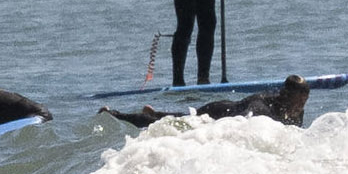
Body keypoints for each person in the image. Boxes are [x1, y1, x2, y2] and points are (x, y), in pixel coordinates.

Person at [104, 73, 312, 129]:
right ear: (286, 95)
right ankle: (115, 115)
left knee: (175, 118)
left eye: (304, 100)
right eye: (298, 99)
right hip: (218, 111)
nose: (301, 105)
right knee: (172, 124)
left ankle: (154, 112)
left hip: (222, 110)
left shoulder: (296, 112)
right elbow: (242, 120)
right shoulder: (262, 105)